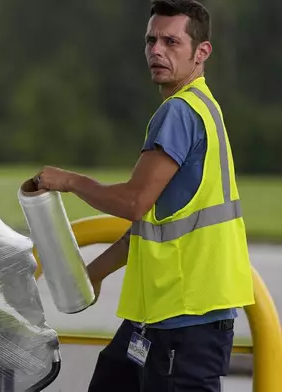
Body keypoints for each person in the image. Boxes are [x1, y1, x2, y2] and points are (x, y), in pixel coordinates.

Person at [34, 0, 255, 390]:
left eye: (171, 42)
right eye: (151, 40)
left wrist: (70, 181)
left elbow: (132, 203)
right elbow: (152, 222)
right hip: (158, 320)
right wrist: (95, 273)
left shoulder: (180, 113)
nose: (156, 50)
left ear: (201, 53)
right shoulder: (201, 107)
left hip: (186, 322)